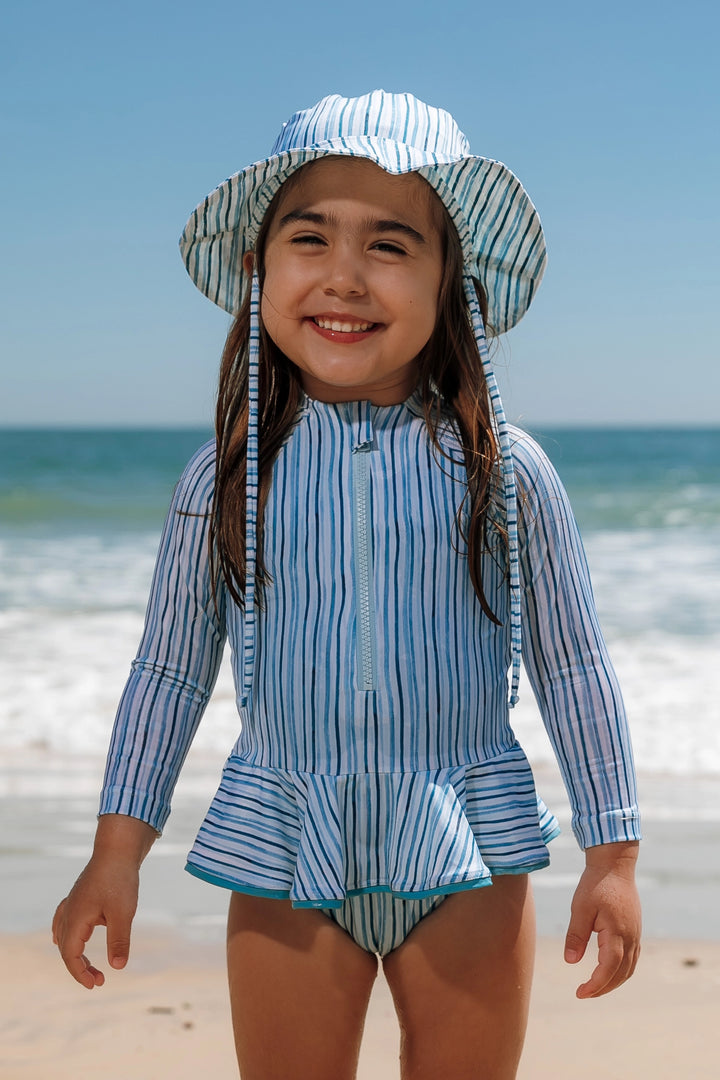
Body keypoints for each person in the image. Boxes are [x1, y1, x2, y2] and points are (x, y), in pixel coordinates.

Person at [53, 91, 641, 1079]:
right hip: (285, 848)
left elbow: (574, 665)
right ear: (259, 266)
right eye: (310, 237)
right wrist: (116, 855)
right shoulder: (227, 476)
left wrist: (613, 858)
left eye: (391, 246)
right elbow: (166, 673)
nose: (343, 276)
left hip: (467, 845)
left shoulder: (506, 472)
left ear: (451, 278)